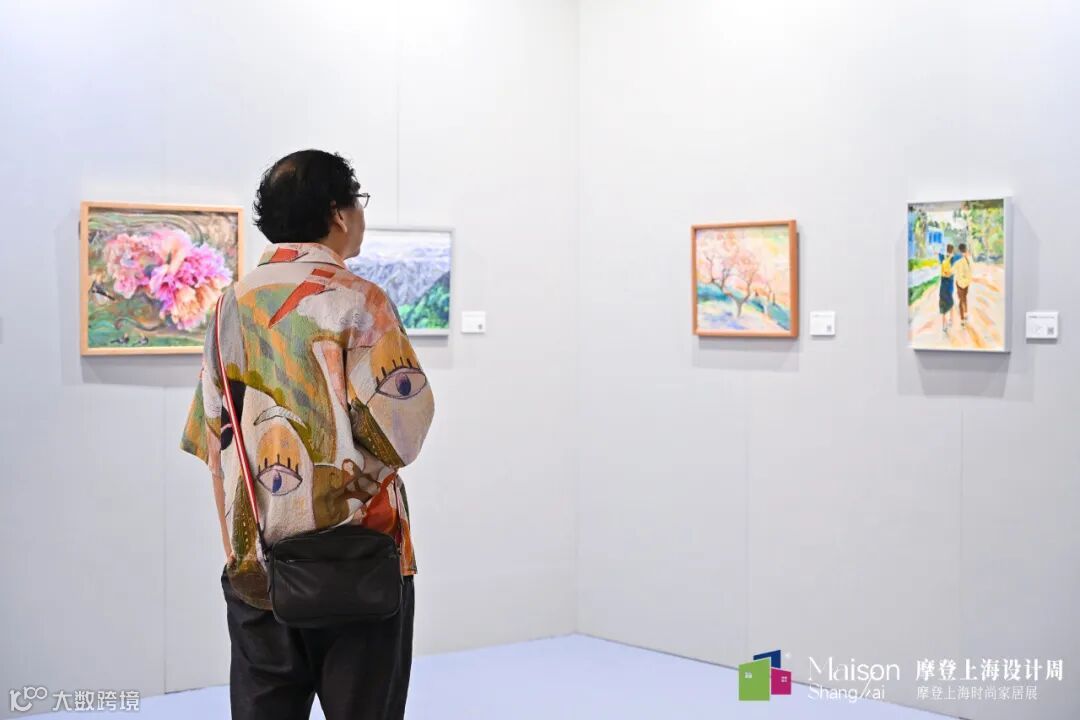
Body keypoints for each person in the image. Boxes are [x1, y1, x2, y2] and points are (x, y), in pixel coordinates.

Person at [180, 149, 435, 720]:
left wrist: (241, 551)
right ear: (338, 213)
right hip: (360, 564)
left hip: (259, 567)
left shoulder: (228, 305)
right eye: (357, 202)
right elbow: (404, 433)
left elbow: (214, 441)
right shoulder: (361, 301)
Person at [938, 243, 958, 334]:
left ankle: (944, 325)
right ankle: (951, 320)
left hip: (943, 283)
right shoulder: (953, 259)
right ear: (952, 250)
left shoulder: (943, 257)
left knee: (943, 302)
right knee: (950, 301)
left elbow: (938, 254)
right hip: (949, 283)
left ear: (946, 249)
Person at [954, 242, 973, 328]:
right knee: (963, 299)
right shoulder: (968, 259)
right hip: (965, 283)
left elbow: (952, 270)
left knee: (962, 299)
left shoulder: (959, 259)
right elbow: (971, 271)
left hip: (961, 283)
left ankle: (963, 317)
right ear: (965, 249)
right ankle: (964, 316)